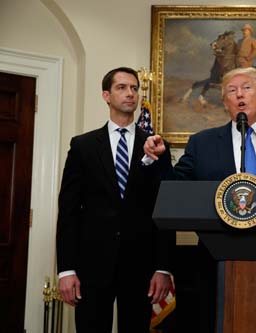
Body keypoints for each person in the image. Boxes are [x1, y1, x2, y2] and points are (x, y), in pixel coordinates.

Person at [144, 66, 256, 332]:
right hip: (215, 261)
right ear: (225, 102)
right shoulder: (202, 143)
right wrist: (162, 158)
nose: (239, 95)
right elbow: (176, 189)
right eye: (231, 91)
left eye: (247, 87)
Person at [56, 67, 174, 332]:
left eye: (134, 88)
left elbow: (165, 210)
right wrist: (66, 269)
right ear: (106, 95)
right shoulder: (83, 146)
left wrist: (163, 267)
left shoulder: (156, 146)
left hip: (141, 265)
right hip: (92, 263)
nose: (130, 93)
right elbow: (69, 211)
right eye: (122, 87)